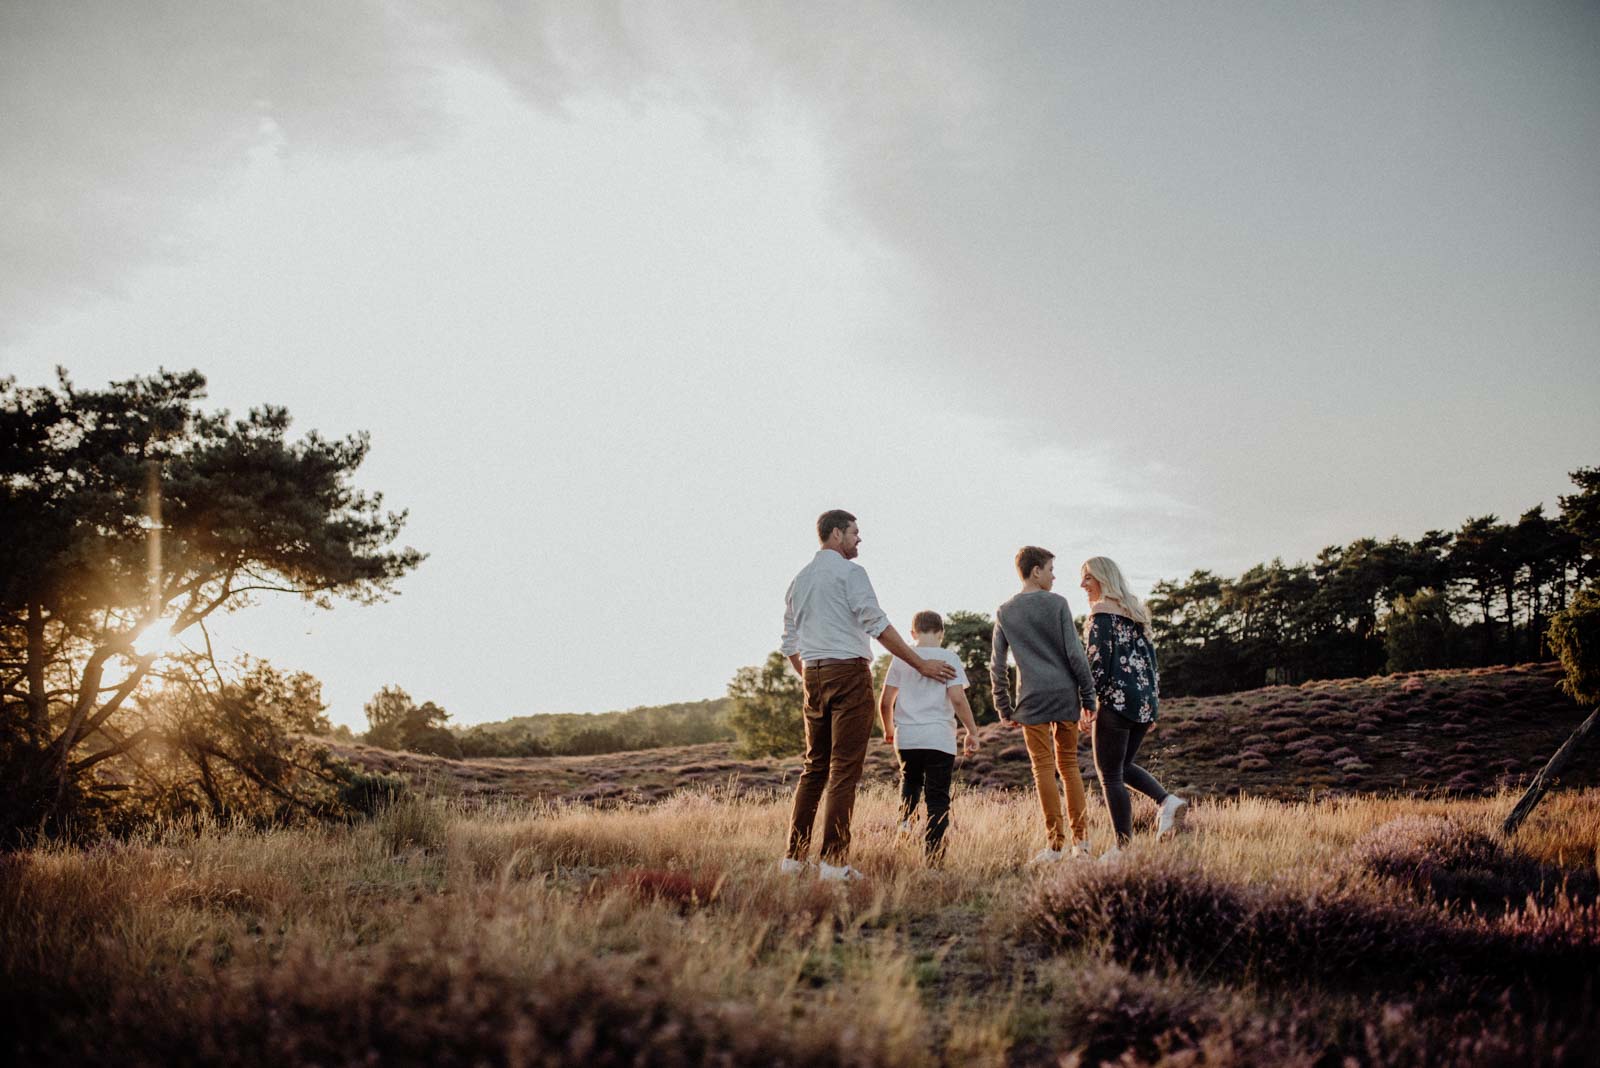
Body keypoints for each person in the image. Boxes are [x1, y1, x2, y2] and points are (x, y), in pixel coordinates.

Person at [780, 509, 957, 881]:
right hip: (847, 674)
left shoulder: (798, 580)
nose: (859, 539)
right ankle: (833, 863)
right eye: (855, 533)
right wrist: (921, 664)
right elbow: (877, 624)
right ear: (836, 534)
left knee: (814, 768)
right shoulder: (851, 573)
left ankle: (794, 860)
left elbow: (789, 643)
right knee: (844, 769)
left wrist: (811, 677)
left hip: (813, 675)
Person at [990, 546, 1099, 864]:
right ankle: (1082, 845)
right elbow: (1075, 654)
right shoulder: (1058, 604)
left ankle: (1054, 846)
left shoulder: (1005, 611)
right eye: (1051, 569)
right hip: (1064, 695)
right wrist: (1088, 697)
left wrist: (1003, 706)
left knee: (1042, 770)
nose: (1054, 576)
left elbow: (997, 665)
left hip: (1031, 700)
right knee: (1068, 767)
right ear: (1035, 571)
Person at [1080, 555, 1186, 861]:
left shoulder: (1101, 616)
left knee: (1110, 774)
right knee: (1122, 767)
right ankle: (1167, 802)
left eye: (1087, 577)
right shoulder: (1136, 615)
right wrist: (1153, 706)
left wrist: (1088, 703)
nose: (1082, 584)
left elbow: (1097, 665)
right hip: (1141, 704)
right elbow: (1152, 666)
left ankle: (1122, 849)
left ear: (1102, 578)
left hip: (1115, 703)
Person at [879, 610, 981, 862]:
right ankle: (933, 858)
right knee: (937, 797)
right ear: (941, 634)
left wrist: (889, 729)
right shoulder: (949, 657)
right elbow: (957, 698)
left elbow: (885, 702)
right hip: (939, 739)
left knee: (910, 784)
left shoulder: (901, 657)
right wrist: (972, 731)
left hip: (907, 737)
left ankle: (903, 834)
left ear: (912, 633)